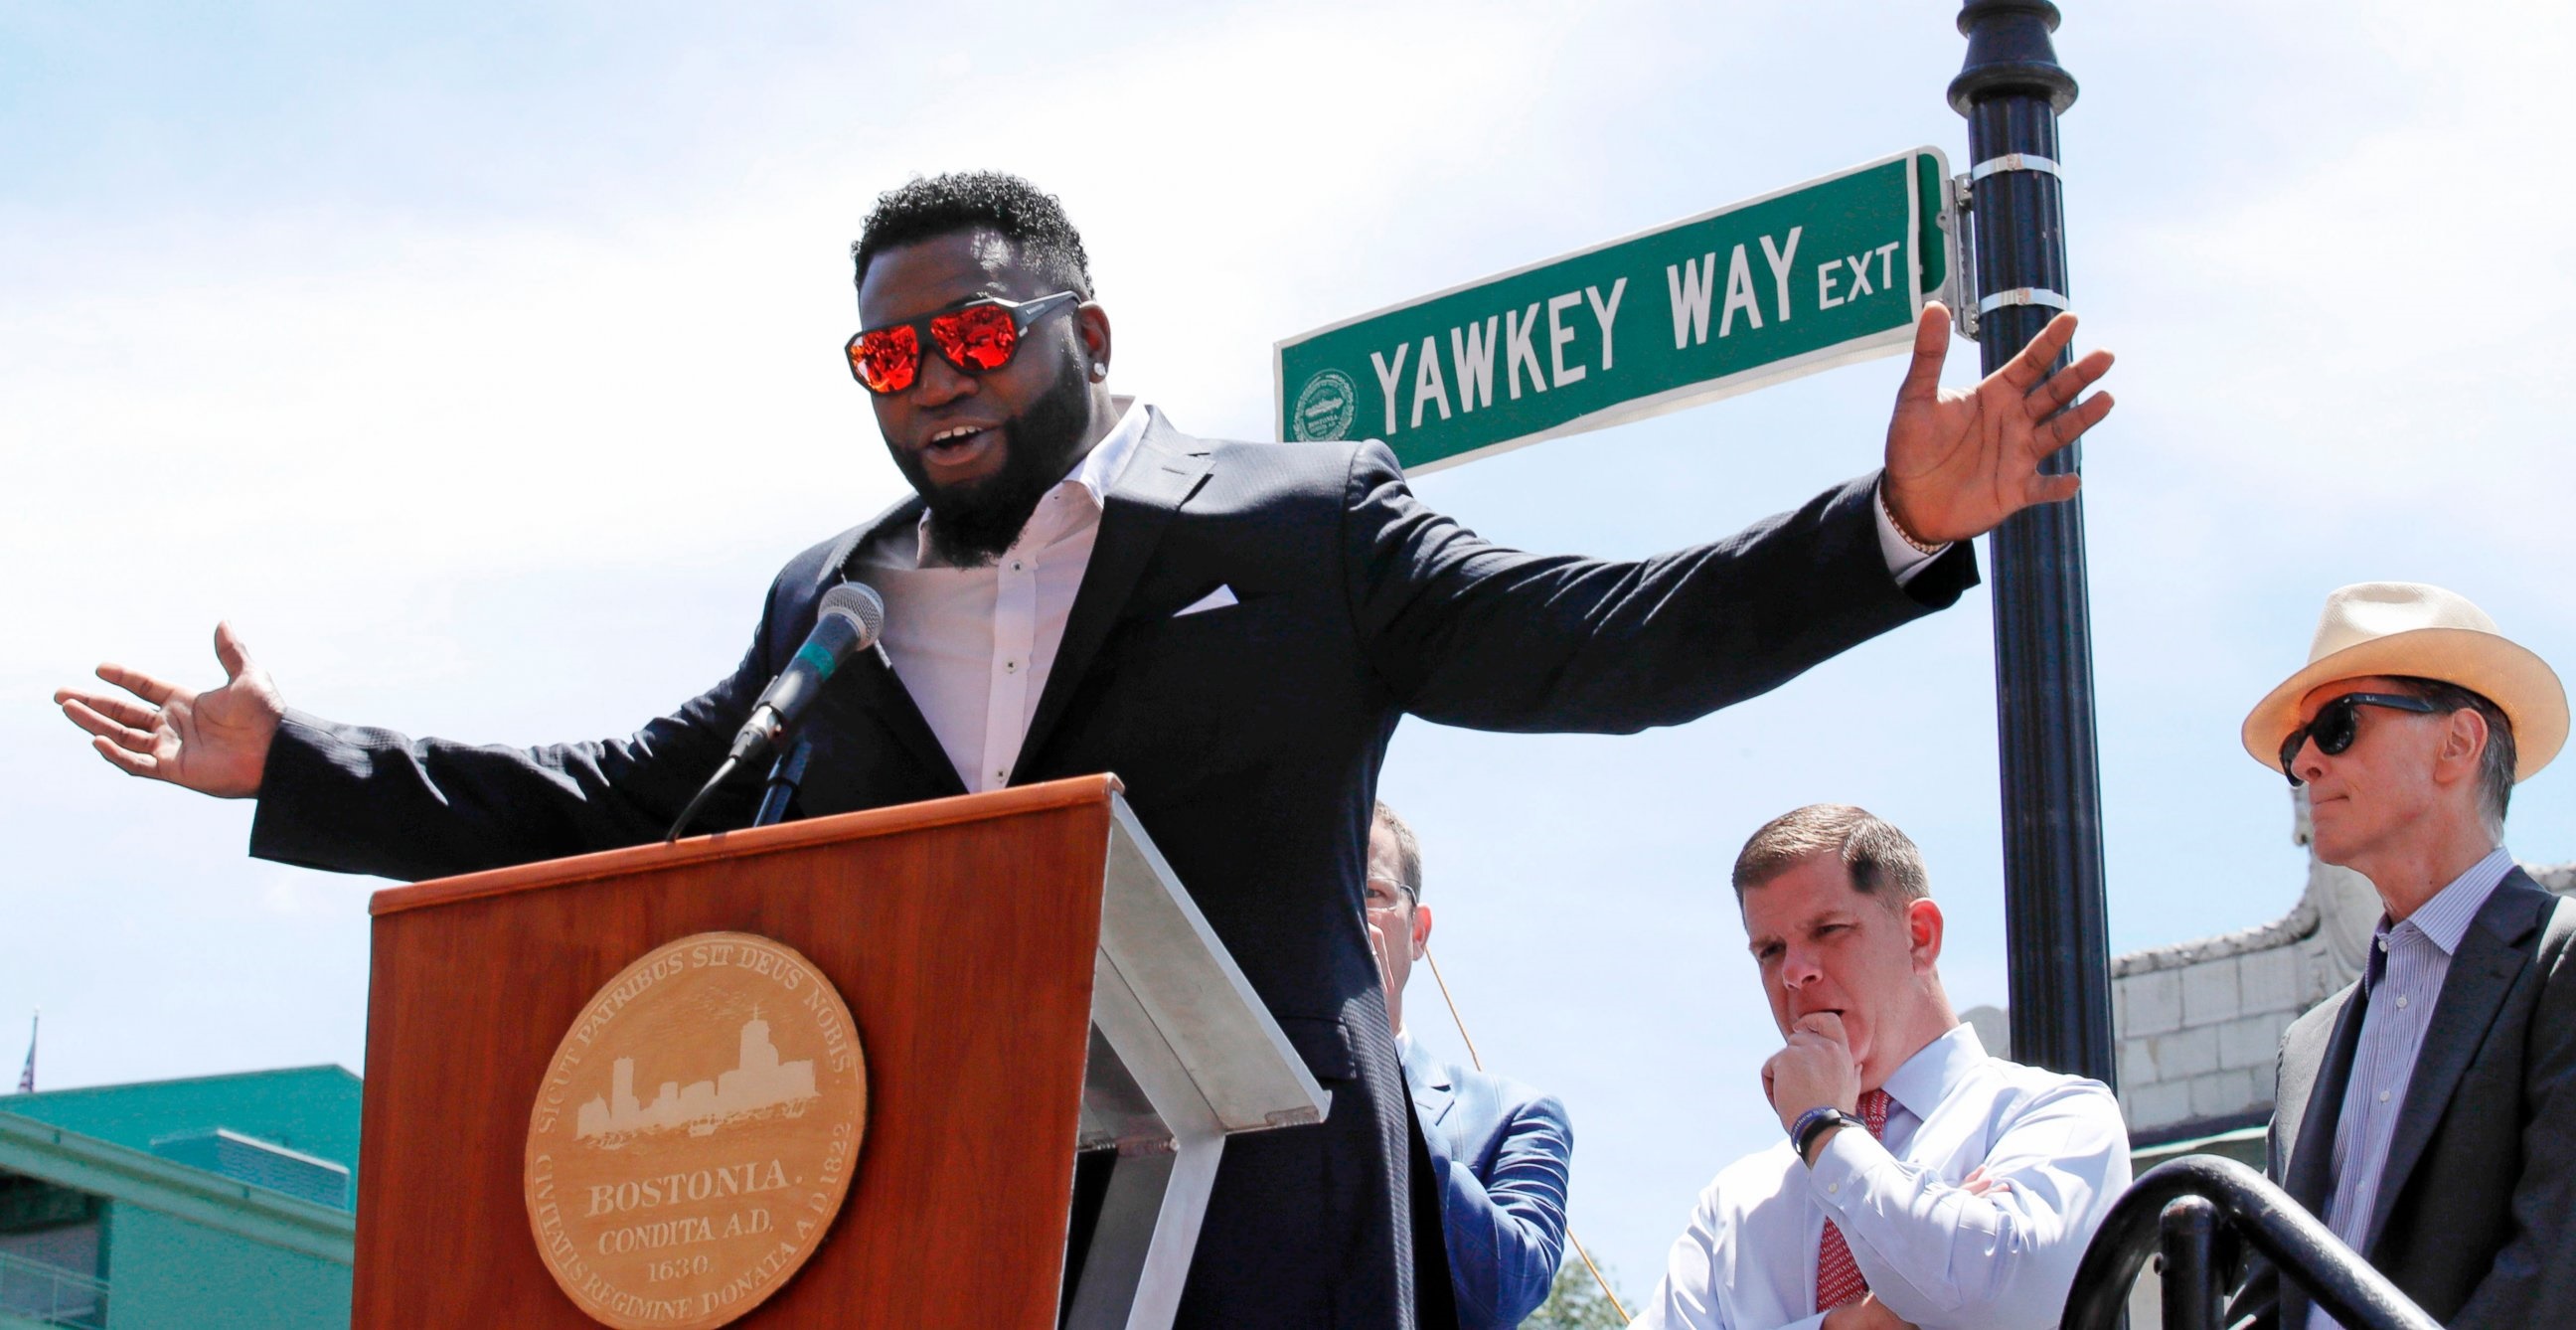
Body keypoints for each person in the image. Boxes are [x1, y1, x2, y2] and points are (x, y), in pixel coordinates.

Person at [55, 172, 2115, 1328]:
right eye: (888, 352)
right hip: (915, 1236)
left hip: (1252, 1248)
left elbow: (1598, 639)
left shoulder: (1301, 528)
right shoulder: (834, 598)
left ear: (1087, 335)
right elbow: (628, 803)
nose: (930, 381)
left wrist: (1895, 529)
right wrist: (299, 766)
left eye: (974, 332)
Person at [1640, 805, 2130, 1330]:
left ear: (1920, 935)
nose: (1794, 973)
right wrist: (1847, 1325)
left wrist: (1823, 1131)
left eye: (1829, 929)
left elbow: (1998, 1296)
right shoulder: (1734, 1203)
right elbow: (1961, 1286)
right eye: (1770, 950)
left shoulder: (2056, 1116)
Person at [2235, 582, 2576, 1329]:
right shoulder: (2309, 1046)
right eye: (2298, 748)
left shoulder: (2562, 964)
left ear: (2458, 742)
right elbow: (2272, 1299)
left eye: (2338, 725)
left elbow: (2555, 1273)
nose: (2305, 766)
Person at [1365, 801, 1572, 1329]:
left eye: (1371, 893)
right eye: (1325, 888)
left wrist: (1372, 1065)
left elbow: (1504, 1292)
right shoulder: (1226, 1076)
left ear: (1417, 932)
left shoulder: (1518, 1117)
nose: (1343, 911)